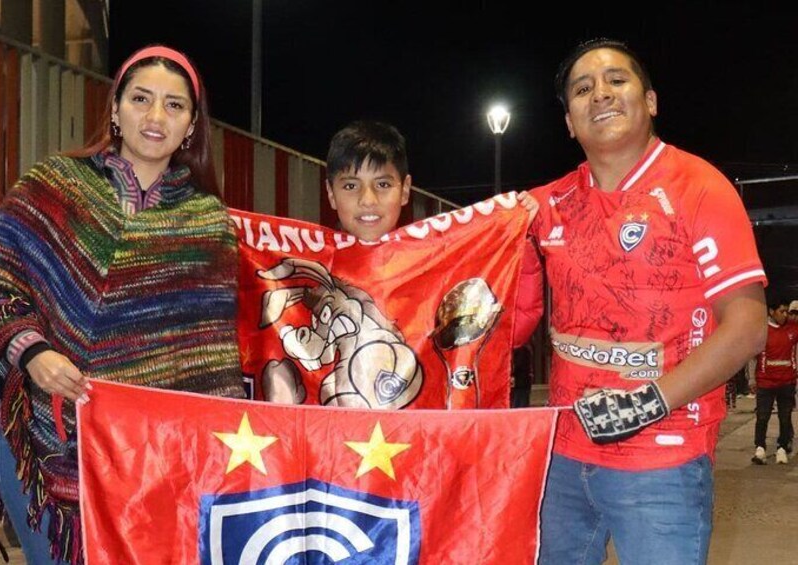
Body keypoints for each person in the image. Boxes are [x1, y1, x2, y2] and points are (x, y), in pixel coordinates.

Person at [0, 45, 244, 564]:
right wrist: (33, 352)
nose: (155, 117)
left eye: (174, 106)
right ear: (114, 109)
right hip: (37, 437)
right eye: (141, 99)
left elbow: (210, 364)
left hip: (149, 457)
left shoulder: (210, 226)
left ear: (192, 126)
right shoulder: (52, 187)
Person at [529, 38, 768, 564]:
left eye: (617, 80)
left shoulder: (699, 187)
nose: (600, 95)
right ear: (569, 121)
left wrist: (648, 401)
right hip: (562, 460)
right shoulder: (544, 206)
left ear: (651, 100)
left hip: (664, 462)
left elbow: (748, 326)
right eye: (582, 89)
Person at [323, 120, 544, 404]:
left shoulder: (437, 264)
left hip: (419, 437)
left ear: (404, 190)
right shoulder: (311, 270)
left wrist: (517, 242)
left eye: (383, 184)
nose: (368, 199)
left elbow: (512, 326)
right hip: (331, 440)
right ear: (331, 193)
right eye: (351, 185)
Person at [749, 301, 796, 464]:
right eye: (781, 311)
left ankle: (782, 447)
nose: (784, 315)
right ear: (771, 311)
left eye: (786, 312)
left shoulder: (792, 329)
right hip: (765, 383)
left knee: (785, 417)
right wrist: (752, 379)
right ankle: (760, 448)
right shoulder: (762, 330)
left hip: (787, 382)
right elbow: (752, 355)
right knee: (762, 417)